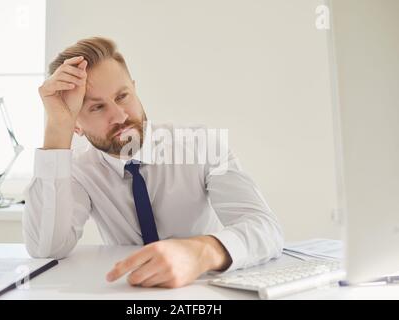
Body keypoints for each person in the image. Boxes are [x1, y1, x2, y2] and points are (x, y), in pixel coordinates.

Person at [23, 36, 284, 288]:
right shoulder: (79, 170)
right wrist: (58, 127)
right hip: (125, 291)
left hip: (204, 289)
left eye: (122, 96)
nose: (119, 115)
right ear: (76, 126)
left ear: (135, 89)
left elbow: (265, 229)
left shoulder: (203, 145)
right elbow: (48, 249)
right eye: (96, 107)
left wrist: (200, 252)